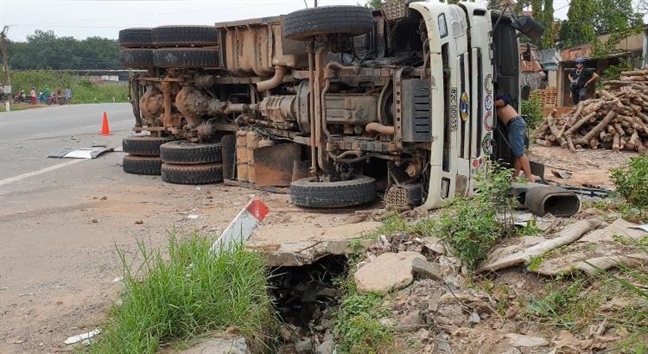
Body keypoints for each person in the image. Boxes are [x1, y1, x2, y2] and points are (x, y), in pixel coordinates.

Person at [495, 93, 537, 183]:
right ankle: (515, 176)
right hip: (515, 124)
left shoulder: (499, 99)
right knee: (516, 153)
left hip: (514, 123)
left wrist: (492, 102)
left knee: (519, 152)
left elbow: (505, 100)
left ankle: (529, 176)